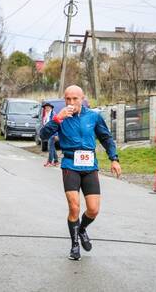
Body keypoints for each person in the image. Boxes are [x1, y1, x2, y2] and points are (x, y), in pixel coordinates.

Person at [40, 85, 121, 261]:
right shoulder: (61, 118)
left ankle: (82, 229)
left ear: (82, 98)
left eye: (75, 99)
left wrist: (114, 159)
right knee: (74, 206)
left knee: (93, 209)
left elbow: (106, 138)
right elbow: (43, 135)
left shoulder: (93, 116)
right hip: (70, 164)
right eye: (67, 99)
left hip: (90, 166)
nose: (71, 102)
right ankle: (74, 245)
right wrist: (57, 119)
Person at [42, 102, 59, 167]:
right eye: (45, 107)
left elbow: (56, 125)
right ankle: (56, 161)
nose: (47, 108)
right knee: (52, 147)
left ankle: (49, 162)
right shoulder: (46, 115)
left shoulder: (53, 115)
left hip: (52, 134)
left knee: (50, 147)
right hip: (48, 133)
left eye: (48, 107)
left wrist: (56, 134)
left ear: (51, 108)